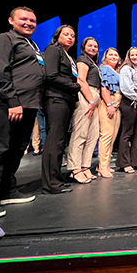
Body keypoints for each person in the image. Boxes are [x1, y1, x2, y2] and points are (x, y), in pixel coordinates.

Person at [0, 7, 43, 219]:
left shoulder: (31, 44)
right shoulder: (5, 38)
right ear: (11, 20)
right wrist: (13, 100)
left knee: (16, 149)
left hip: (29, 104)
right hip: (7, 103)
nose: (29, 23)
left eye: (32, 20)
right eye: (23, 19)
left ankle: (6, 190)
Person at [41, 25, 81, 194]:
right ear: (57, 36)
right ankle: (51, 184)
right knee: (54, 141)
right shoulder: (53, 50)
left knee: (60, 142)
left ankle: (56, 178)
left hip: (66, 99)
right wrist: (74, 85)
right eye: (66, 34)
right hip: (56, 99)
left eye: (72, 35)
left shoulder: (67, 55)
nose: (70, 37)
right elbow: (51, 75)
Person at [66, 37, 102, 183]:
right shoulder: (82, 60)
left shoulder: (93, 62)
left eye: (95, 46)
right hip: (86, 95)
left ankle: (85, 166)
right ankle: (75, 169)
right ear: (84, 46)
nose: (93, 48)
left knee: (92, 135)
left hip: (95, 95)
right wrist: (91, 100)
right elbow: (81, 80)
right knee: (80, 133)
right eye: (90, 45)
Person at [117, 47, 137, 173]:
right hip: (129, 102)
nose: (134, 57)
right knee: (127, 133)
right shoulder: (125, 69)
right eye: (132, 55)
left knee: (136, 133)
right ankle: (124, 163)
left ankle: (135, 161)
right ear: (128, 56)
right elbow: (125, 87)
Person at [97, 47, 122, 177]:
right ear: (105, 57)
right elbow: (104, 88)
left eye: (115, 55)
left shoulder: (115, 70)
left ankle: (104, 164)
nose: (113, 57)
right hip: (109, 103)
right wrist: (109, 104)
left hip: (117, 104)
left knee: (112, 136)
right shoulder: (105, 69)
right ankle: (102, 167)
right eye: (111, 55)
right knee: (106, 136)